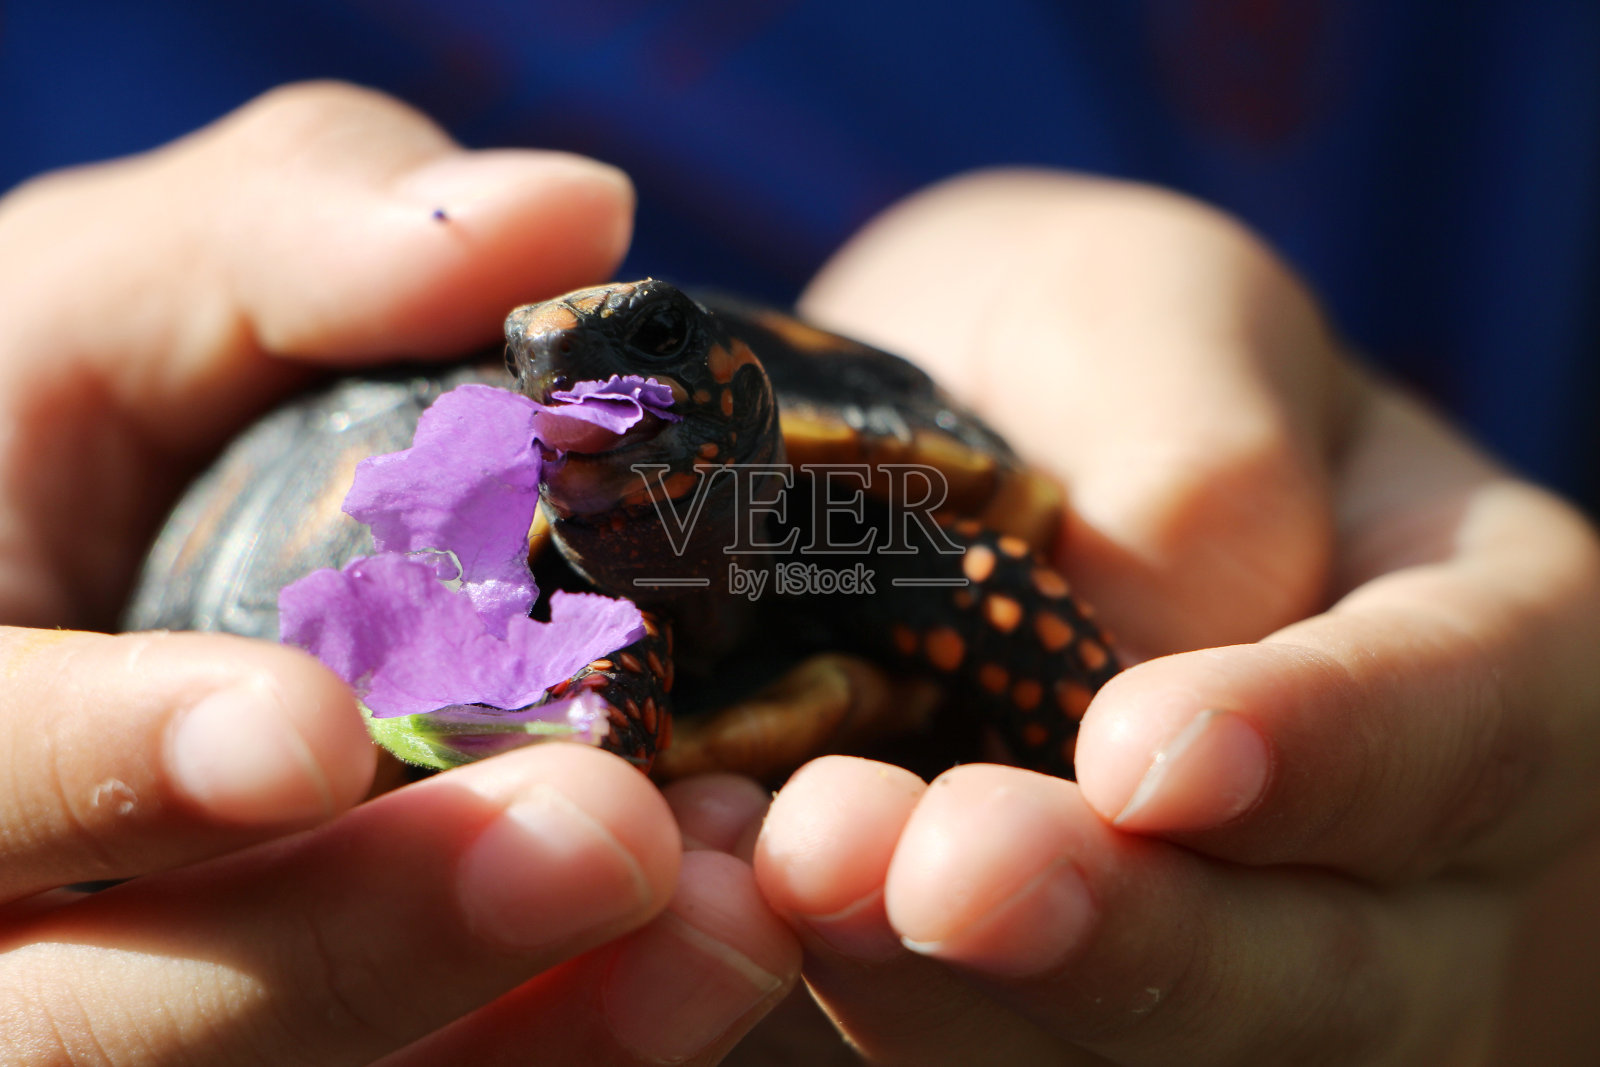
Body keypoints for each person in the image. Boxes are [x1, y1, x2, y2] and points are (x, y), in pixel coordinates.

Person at [2, 12, 1597, 1067]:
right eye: (559, 395)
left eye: (658, 358)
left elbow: (976, 579)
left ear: (742, 396)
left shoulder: (849, 535)